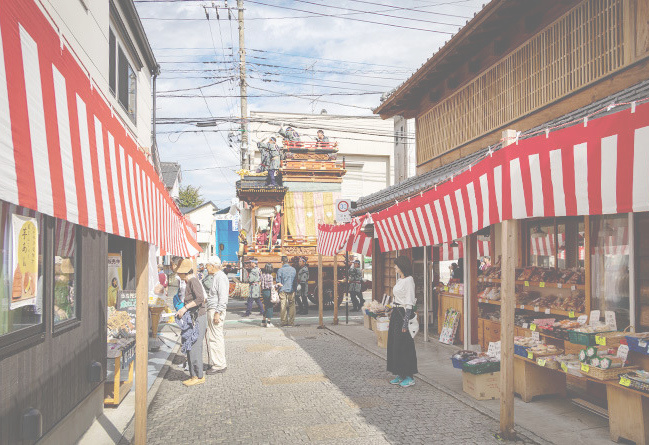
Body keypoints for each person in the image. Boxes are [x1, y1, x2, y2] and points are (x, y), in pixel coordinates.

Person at [174, 258, 207, 386]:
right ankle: (194, 375)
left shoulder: (193, 281)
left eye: (179, 273)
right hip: (194, 317)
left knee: (194, 347)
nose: (178, 275)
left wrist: (185, 308)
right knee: (191, 346)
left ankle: (198, 376)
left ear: (184, 272)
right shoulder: (189, 281)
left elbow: (200, 298)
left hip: (197, 317)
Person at [387, 255, 418, 388]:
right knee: (395, 344)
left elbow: (409, 302)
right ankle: (400, 373)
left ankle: (409, 376)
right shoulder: (400, 280)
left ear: (402, 266)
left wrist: (405, 323)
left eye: (396, 265)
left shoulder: (409, 280)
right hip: (396, 313)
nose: (394, 267)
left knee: (405, 345)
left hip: (403, 314)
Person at [204, 256, 229, 374]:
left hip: (215, 310)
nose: (206, 268)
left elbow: (223, 297)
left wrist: (217, 312)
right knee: (215, 337)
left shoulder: (220, 277)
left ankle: (219, 364)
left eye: (207, 265)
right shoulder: (217, 276)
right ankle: (218, 363)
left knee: (215, 337)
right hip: (214, 309)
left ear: (213, 266)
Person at [276, 256, 296, 326]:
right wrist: (295, 289)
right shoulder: (293, 269)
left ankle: (284, 322)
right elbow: (295, 281)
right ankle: (291, 322)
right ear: (288, 261)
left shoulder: (280, 270)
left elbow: (278, 281)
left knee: (283, 305)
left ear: (282, 262)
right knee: (292, 305)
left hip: (283, 289)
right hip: (291, 289)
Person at [260, 263, 275, 327]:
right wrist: (277, 285)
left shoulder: (262, 275)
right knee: (270, 306)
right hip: (268, 291)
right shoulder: (270, 276)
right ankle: (268, 322)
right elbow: (271, 286)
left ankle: (263, 321)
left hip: (264, 291)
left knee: (265, 306)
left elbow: (261, 284)